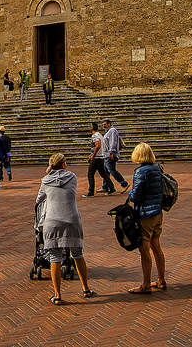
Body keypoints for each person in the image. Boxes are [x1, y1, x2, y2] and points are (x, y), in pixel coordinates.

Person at [34, 153, 95, 304]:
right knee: (78, 254)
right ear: (64, 164)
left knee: (55, 258)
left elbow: (39, 199)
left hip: (52, 221)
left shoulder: (45, 180)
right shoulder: (72, 177)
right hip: (72, 219)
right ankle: (86, 289)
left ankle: (57, 295)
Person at [125, 143, 168, 294]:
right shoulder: (157, 168)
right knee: (156, 246)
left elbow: (136, 195)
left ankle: (145, 284)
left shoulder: (140, 171)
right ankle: (161, 279)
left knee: (144, 249)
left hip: (145, 214)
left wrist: (129, 192)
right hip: (157, 212)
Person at [86, 125, 112, 196]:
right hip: (101, 157)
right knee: (103, 174)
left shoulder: (95, 136)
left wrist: (93, 155)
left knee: (90, 174)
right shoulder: (100, 135)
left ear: (91, 128)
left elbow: (98, 145)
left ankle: (91, 191)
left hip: (96, 158)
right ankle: (111, 187)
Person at [102, 120, 127, 190]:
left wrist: (111, 152)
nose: (104, 126)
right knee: (106, 171)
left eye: (105, 124)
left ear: (109, 124)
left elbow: (113, 142)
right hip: (106, 154)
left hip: (111, 154)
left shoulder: (112, 131)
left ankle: (124, 183)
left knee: (112, 170)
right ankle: (105, 186)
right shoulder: (108, 132)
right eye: (103, 125)